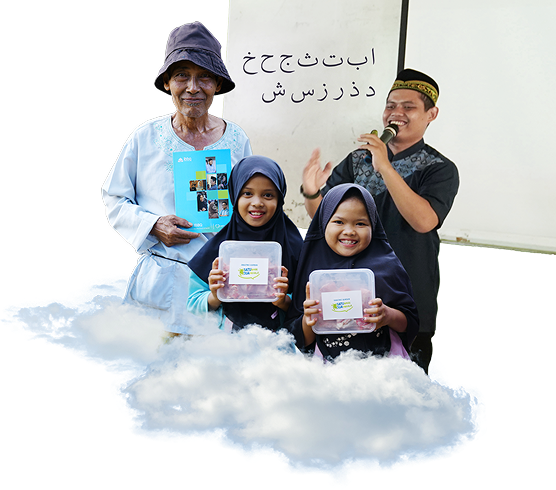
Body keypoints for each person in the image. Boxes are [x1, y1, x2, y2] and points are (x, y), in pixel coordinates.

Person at [300, 69, 458, 371]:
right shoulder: (357, 160)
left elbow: (425, 221)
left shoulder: (440, 168)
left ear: (431, 114)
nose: (396, 113)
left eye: (408, 107)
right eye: (390, 106)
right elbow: (323, 216)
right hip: (349, 295)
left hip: (406, 300)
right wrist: (311, 192)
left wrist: (385, 166)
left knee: (401, 391)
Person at [102, 21, 252, 336]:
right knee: (150, 363)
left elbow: (250, 206)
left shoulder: (237, 140)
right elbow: (114, 198)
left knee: (209, 365)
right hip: (159, 284)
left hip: (216, 285)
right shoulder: (145, 137)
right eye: (182, 75)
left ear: (217, 85)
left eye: (205, 76)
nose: (193, 87)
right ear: (168, 83)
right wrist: (153, 224)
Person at [285, 183, 418, 360]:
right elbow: (299, 340)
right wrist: (309, 320)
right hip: (327, 368)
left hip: (383, 366)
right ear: (324, 223)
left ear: (373, 226)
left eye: (360, 223)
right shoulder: (312, 271)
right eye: (339, 222)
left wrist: (388, 315)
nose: (349, 231)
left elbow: (410, 324)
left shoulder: (388, 267)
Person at [187, 156, 304, 331]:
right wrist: (216, 295)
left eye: (268, 195)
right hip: (229, 342)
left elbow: (310, 307)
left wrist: (283, 301)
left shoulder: (296, 248)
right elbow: (192, 304)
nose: (257, 203)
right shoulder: (220, 248)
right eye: (247, 193)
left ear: (279, 199)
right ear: (235, 196)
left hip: (281, 343)